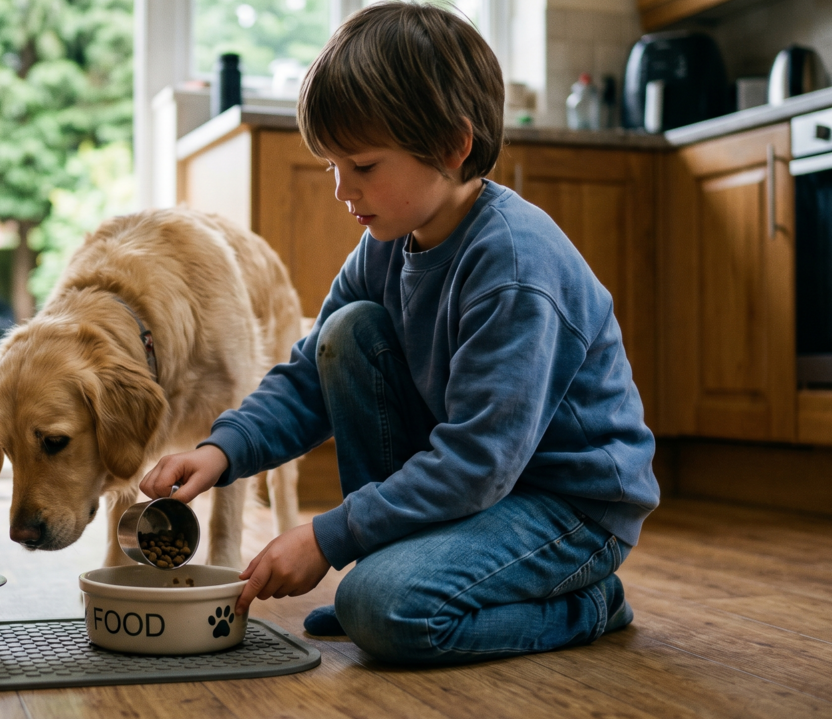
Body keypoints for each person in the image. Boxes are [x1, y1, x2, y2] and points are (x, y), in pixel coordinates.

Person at [139, 2, 659, 666]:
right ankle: (392, 575)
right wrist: (222, 450)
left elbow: (476, 463)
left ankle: (588, 604)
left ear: (452, 146)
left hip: (570, 510)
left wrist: (327, 539)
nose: (340, 189)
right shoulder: (388, 242)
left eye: (361, 165)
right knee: (347, 332)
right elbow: (307, 376)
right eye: (331, 166)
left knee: (384, 611)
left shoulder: (515, 270)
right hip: (485, 487)